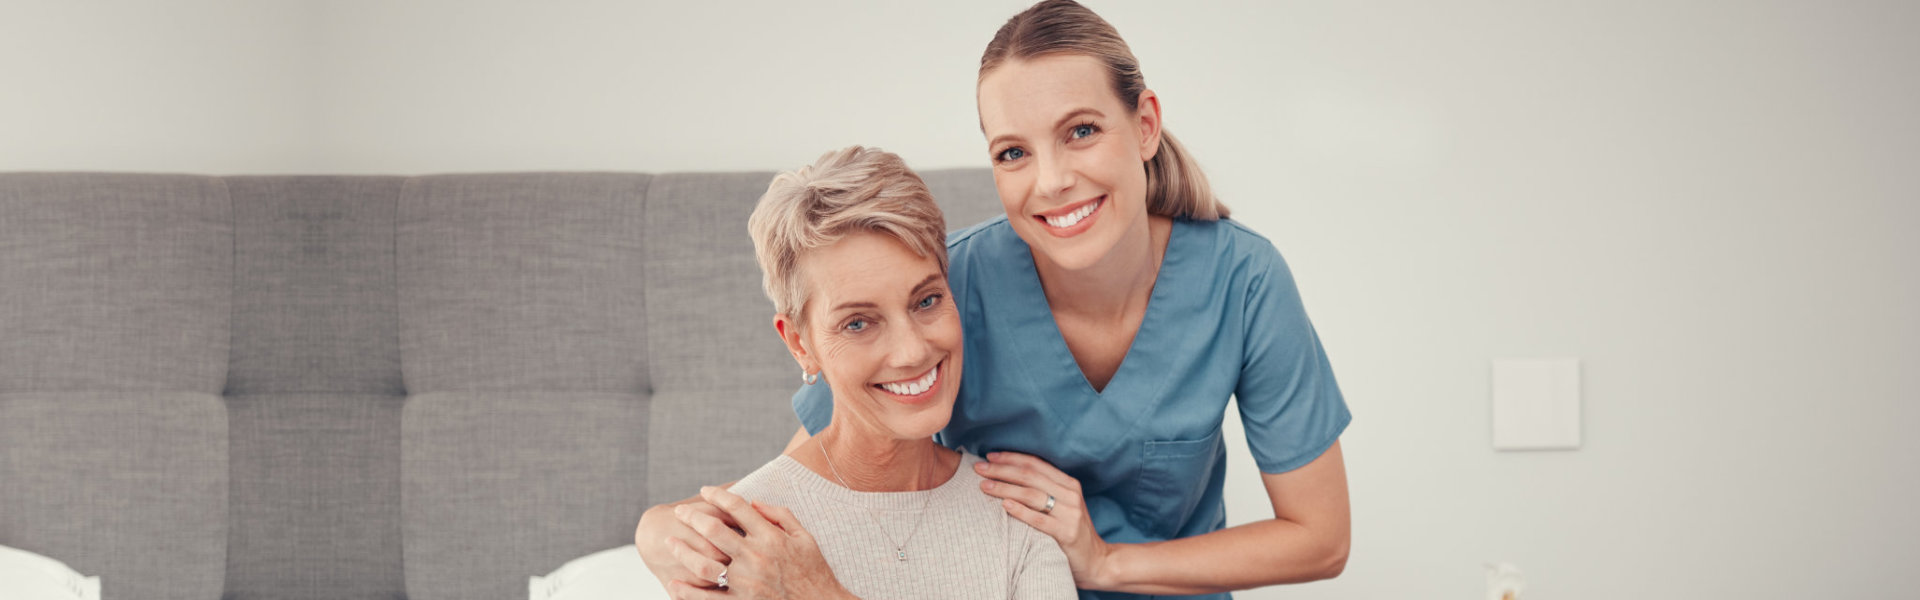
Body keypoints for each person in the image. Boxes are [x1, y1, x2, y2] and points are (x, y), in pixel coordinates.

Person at [640, 1, 1352, 598]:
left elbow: (1320, 540)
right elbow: (822, 471)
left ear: (1144, 125)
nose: (1051, 180)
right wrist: (656, 529)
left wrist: (1106, 561)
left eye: (1080, 131)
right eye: (1013, 152)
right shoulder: (947, 292)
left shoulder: (1243, 280)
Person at [658, 146, 1077, 600]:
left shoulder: (1015, 514)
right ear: (800, 343)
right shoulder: (746, 546)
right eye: (858, 323)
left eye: (927, 301)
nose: (912, 350)